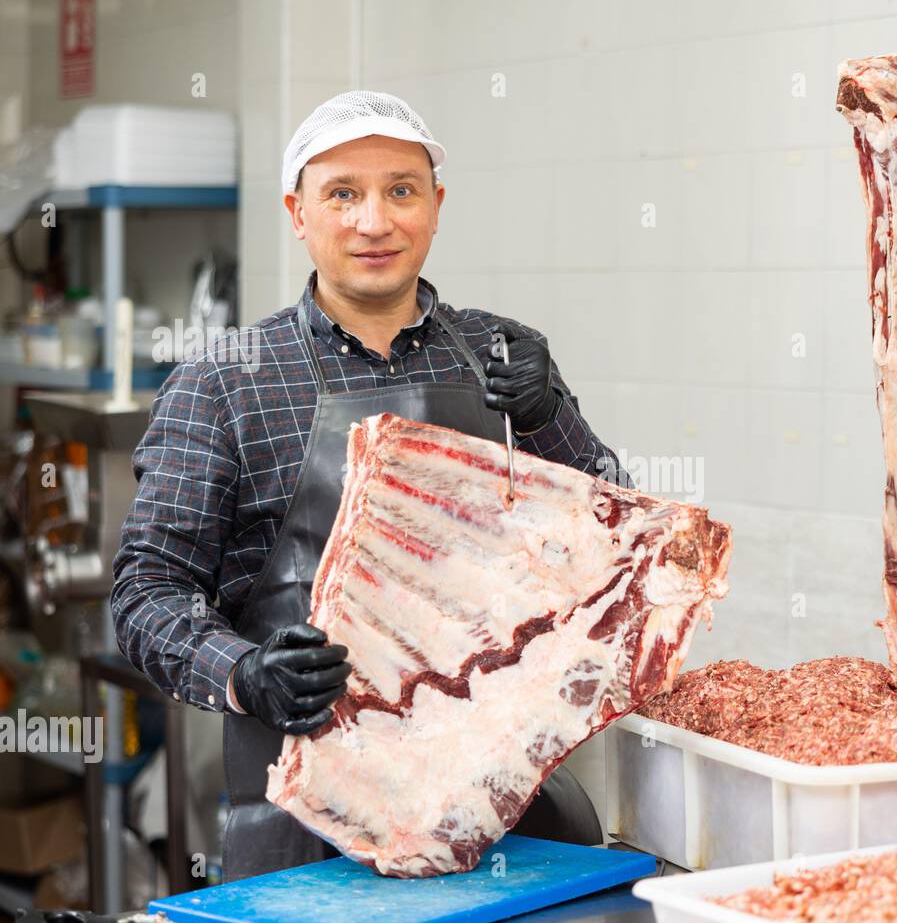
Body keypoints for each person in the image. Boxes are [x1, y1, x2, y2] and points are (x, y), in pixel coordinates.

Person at [111, 91, 615, 882]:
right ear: (299, 212)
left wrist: (552, 416)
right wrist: (244, 675)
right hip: (310, 831)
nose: (374, 221)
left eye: (401, 190)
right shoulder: (223, 381)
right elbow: (146, 595)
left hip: (510, 814)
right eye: (343, 193)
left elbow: (613, 540)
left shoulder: (498, 353)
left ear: (436, 207)